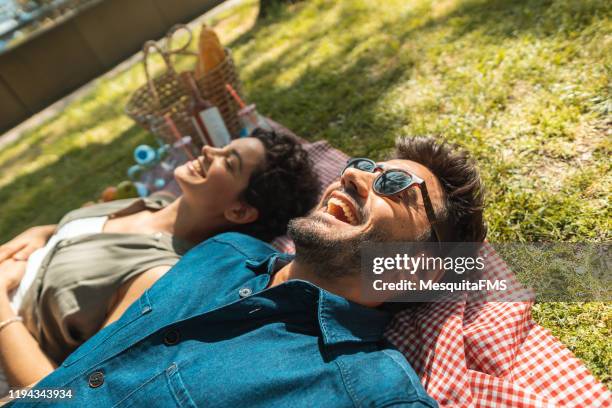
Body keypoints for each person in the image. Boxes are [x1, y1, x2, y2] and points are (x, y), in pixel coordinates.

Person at [5, 136, 486, 407]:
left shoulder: (371, 393)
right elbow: (85, 368)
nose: (353, 175)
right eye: (363, 164)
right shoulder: (224, 251)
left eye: (395, 185)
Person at [0, 128, 319, 389]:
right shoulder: (153, 204)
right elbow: (73, 236)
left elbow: (62, 393)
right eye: (223, 146)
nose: (209, 150)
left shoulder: (160, 277)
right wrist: (40, 232)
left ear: (239, 211)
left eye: (229, 161)